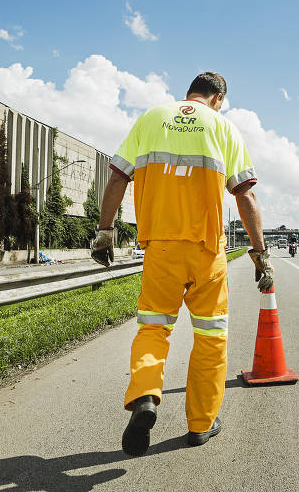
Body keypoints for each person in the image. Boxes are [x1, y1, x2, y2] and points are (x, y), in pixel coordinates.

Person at [91, 72, 273, 457]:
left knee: (153, 328)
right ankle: (201, 424)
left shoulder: (150, 118)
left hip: (160, 249)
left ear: (189, 93)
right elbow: (246, 198)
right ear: (218, 98)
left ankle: (144, 397)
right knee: (210, 338)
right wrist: (259, 254)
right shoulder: (224, 128)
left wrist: (105, 231)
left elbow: (117, 179)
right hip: (207, 253)